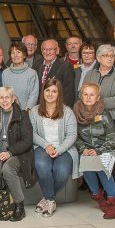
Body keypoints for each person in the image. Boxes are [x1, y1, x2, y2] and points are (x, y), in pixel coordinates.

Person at [84, 44, 115, 198]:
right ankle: (103, 191)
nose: (110, 58)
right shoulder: (91, 74)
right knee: (99, 156)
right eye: (106, 56)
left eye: (112, 56)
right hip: (95, 121)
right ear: (98, 58)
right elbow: (82, 93)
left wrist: (100, 103)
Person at [0, 86, 34, 222]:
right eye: (1, 97)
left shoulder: (22, 115)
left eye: (7, 97)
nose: (4, 100)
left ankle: (19, 206)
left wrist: (10, 152)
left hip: (18, 152)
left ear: (13, 99)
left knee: (7, 169)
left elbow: (27, 140)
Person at [29, 78, 79, 217]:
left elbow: (72, 135)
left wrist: (60, 150)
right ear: (43, 92)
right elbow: (31, 133)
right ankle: (51, 200)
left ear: (59, 94)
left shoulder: (67, 112)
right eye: (47, 90)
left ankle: (46, 199)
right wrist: (47, 145)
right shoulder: (34, 111)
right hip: (41, 147)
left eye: (54, 91)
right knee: (42, 166)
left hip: (64, 148)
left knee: (62, 170)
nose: (50, 94)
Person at [74, 82, 115, 219]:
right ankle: (99, 197)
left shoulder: (104, 114)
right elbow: (75, 136)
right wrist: (83, 149)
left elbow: (112, 138)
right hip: (87, 149)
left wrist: (99, 151)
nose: (88, 97)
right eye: (85, 94)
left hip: (106, 148)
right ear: (81, 96)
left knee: (101, 168)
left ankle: (113, 201)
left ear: (98, 97)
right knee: (87, 168)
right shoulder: (76, 114)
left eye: (92, 94)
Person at [32, 39, 76, 107]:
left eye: (50, 49)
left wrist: (62, 111)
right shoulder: (36, 64)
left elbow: (69, 93)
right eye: (45, 49)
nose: (47, 52)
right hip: (38, 108)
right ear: (41, 51)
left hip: (57, 108)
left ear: (57, 50)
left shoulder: (66, 67)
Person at [2, 42, 39, 110]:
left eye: (18, 52)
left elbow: (34, 95)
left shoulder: (32, 73)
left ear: (24, 55)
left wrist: (27, 110)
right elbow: (3, 93)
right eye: (12, 53)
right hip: (8, 111)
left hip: (26, 113)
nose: (15, 55)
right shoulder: (5, 73)